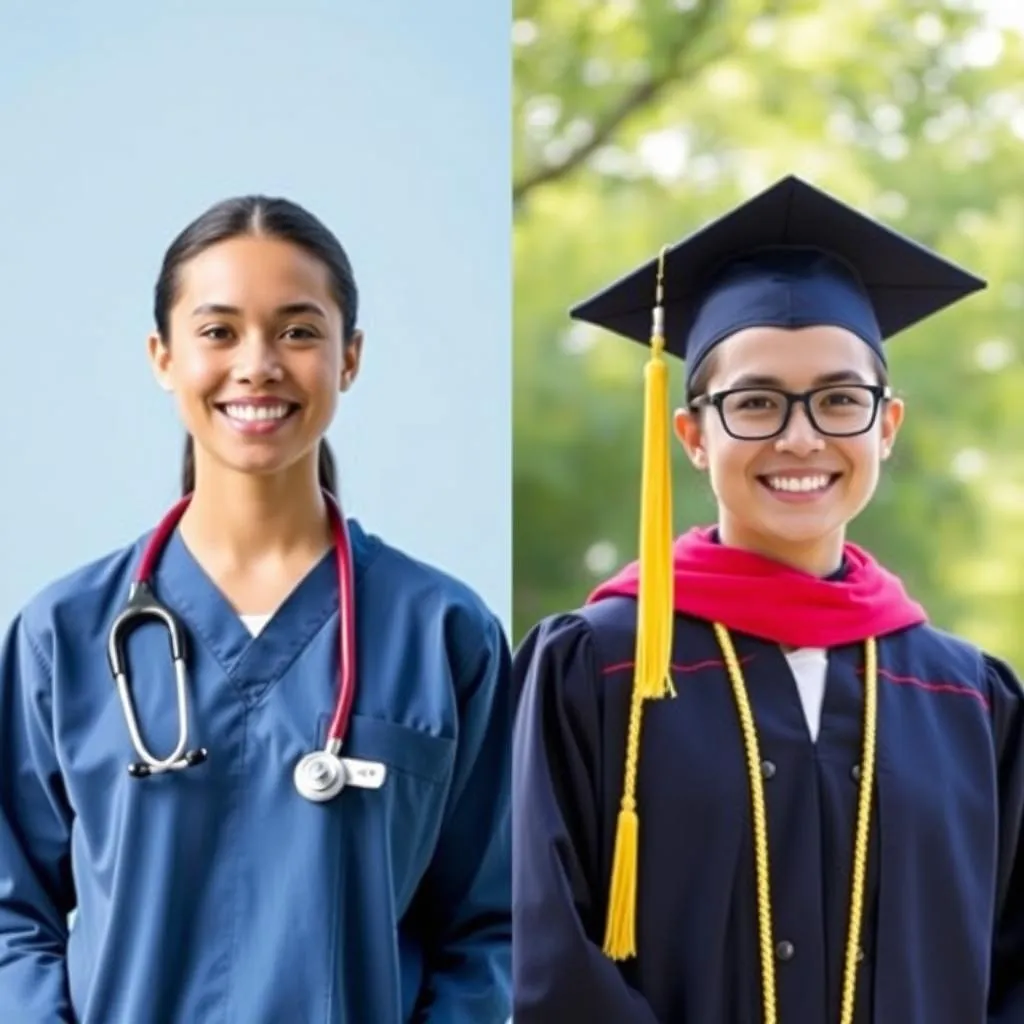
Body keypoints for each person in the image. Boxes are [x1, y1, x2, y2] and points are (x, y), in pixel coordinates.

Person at [511, 175, 1024, 1023]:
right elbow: (544, 958)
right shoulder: (597, 670)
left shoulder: (969, 700)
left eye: (838, 400)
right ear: (692, 435)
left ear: (886, 427)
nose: (800, 436)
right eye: (754, 403)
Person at [0, 195, 512, 1024]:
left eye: (299, 331)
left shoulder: (446, 635)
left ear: (350, 358)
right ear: (162, 356)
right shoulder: (63, 636)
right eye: (218, 331)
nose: (259, 364)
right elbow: (9, 913)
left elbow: (491, 926)